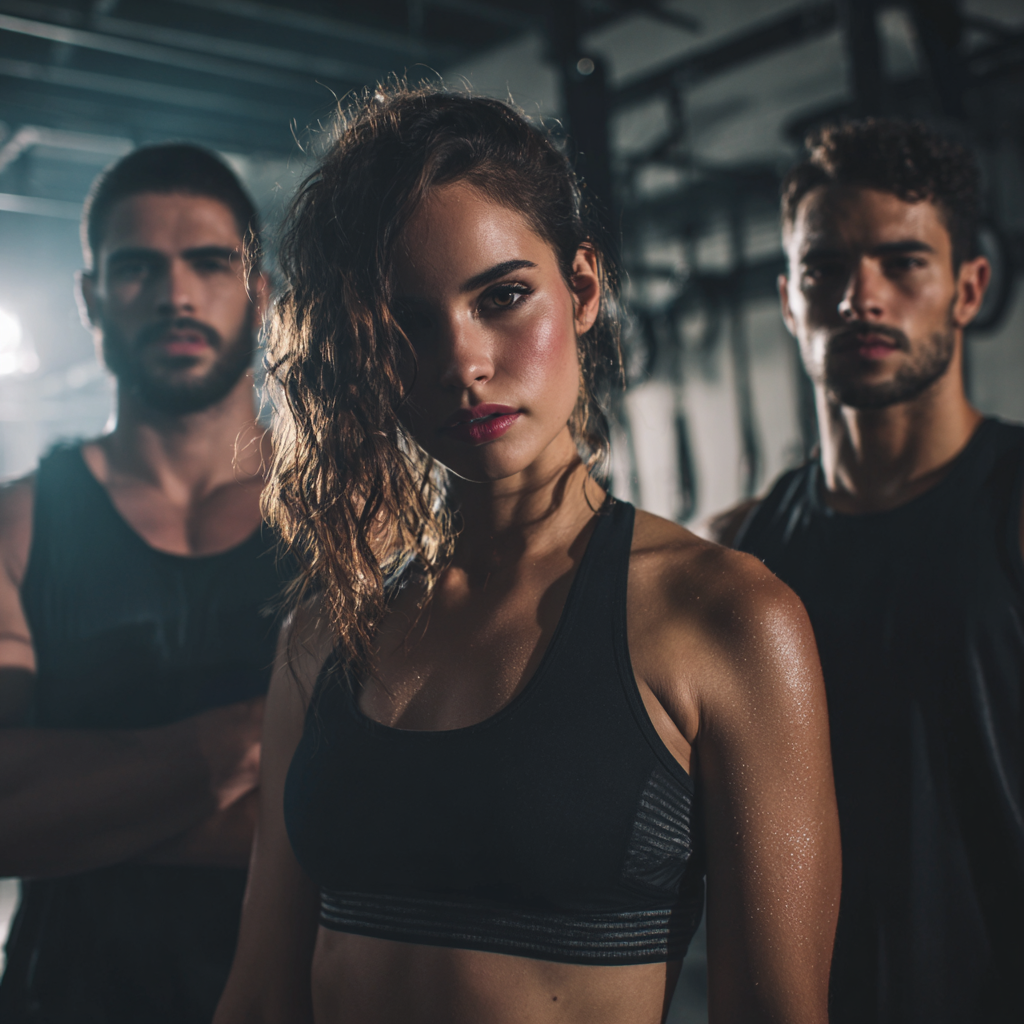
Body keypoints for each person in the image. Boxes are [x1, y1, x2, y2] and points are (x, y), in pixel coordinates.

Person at [213, 85, 840, 1024]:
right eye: (407, 323)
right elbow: (260, 995)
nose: (462, 363)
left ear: (582, 288)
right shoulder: (327, 632)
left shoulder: (728, 620)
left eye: (502, 297)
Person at [709, 119, 1021, 1023]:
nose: (861, 298)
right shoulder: (743, 548)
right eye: (826, 269)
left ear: (969, 289)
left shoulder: (1013, 505)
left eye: (902, 263)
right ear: (788, 297)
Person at [0, 144, 290, 1023]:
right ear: (90, 299)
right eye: (137, 268)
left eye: (211, 262)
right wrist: (251, 737)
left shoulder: (354, 516)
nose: (176, 295)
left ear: (262, 293)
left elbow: (392, 811)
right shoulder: (17, 523)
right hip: (67, 997)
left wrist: (79, 809)